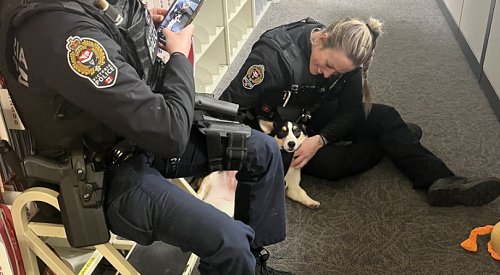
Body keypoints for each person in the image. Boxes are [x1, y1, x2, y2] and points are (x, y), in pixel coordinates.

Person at [0, 0, 291, 274]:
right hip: (103, 176)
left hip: (130, 135)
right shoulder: (63, 34)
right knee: (229, 241)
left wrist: (133, 32)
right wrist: (179, 54)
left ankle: (252, 264)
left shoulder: (66, 17)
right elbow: (170, 135)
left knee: (264, 150)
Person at [220, 17, 500, 207]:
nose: (328, 75)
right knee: (333, 166)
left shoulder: (348, 64)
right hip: (276, 130)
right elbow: (228, 108)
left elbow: (352, 110)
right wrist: (243, 155)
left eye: (337, 72)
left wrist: (320, 140)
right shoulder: (272, 58)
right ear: (322, 39)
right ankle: (393, 141)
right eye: (326, 65)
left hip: (312, 113)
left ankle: (442, 180)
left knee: (386, 115)